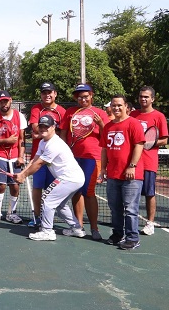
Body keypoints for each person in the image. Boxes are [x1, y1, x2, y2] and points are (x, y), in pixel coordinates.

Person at [15, 115, 85, 241]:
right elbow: (34, 160)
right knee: (60, 205)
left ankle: (47, 231)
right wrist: (22, 173)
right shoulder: (43, 142)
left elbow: (39, 164)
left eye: (46, 126)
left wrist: (23, 175)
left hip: (70, 178)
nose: (43, 129)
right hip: (73, 178)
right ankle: (77, 229)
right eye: (41, 126)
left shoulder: (54, 144)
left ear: (53, 127)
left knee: (47, 199)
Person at [59, 83, 109, 241]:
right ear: (76, 98)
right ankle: (78, 226)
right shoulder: (70, 112)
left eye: (86, 96)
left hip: (92, 157)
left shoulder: (100, 113)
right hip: (73, 158)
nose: (83, 99)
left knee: (88, 192)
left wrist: (101, 124)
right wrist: (64, 151)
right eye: (80, 96)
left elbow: (107, 136)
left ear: (91, 95)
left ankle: (94, 228)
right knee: (76, 191)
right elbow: (64, 133)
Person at [98, 95, 145, 250]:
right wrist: (103, 169)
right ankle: (118, 234)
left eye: (119, 105)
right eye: (114, 105)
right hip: (113, 174)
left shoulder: (133, 124)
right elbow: (104, 150)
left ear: (126, 106)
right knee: (115, 207)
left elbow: (139, 145)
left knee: (130, 209)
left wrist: (132, 166)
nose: (116, 108)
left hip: (131, 176)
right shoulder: (108, 127)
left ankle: (133, 238)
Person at [130, 86, 169, 235]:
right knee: (130, 193)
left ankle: (150, 223)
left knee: (149, 193)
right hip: (133, 162)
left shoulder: (159, 116)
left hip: (148, 162)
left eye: (146, 97)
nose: (143, 99)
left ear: (152, 99)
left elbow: (164, 139)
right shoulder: (133, 115)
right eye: (141, 96)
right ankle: (129, 221)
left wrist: (148, 143)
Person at [26, 82, 66, 228]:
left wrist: (41, 134)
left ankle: (48, 218)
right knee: (37, 187)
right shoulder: (36, 108)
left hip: (56, 159)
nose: (47, 95)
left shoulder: (62, 111)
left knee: (52, 189)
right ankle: (37, 217)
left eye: (50, 92)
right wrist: (47, 131)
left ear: (55, 94)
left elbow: (62, 133)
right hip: (39, 157)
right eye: (44, 92)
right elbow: (36, 127)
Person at [0, 90, 26, 224]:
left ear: (11, 100)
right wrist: (5, 141)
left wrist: (21, 157)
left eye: (6, 100)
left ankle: (11, 213)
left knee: (15, 186)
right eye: (1, 101)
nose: (4, 103)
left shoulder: (19, 116)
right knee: (1, 186)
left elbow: (21, 139)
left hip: (15, 156)